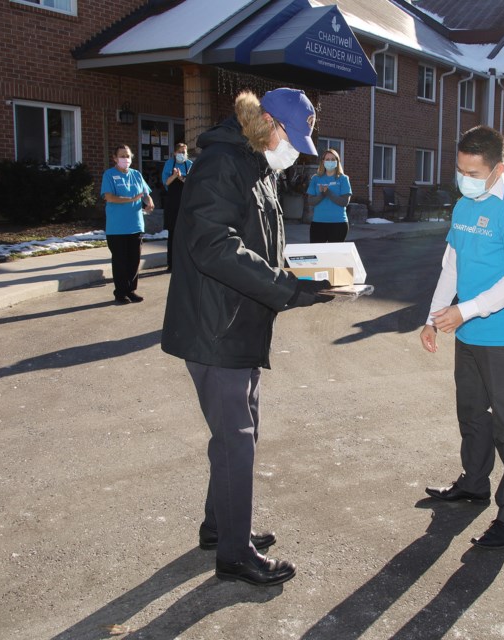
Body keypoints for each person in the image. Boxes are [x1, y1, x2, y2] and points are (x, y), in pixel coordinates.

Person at [161, 87, 333, 587]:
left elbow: (260, 245)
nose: (294, 150)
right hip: (218, 327)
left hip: (237, 324)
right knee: (237, 441)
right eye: (291, 137)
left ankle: (221, 528)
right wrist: (286, 289)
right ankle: (234, 555)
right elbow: (215, 246)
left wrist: (308, 276)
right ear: (267, 125)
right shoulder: (224, 164)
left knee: (240, 434)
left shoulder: (256, 167)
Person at [420, 125, 504, 550]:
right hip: (467, 331)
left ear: (498, 168)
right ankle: (474, 485)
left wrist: (465, 311)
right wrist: (434, 318)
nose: (465, 178)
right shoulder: (464, 205)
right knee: (471, 414)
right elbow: (451, 265)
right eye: (460, 169)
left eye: (474, 171)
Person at [100, 145, 154, 304]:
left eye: (128, 156)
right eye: (122, 156)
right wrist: (130, 200)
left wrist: (149, 203)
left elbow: (145, 194)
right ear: (115, 158)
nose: (126, 159)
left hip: (135, 225)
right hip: (117, 228)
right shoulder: (109, 175)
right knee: (120, 261)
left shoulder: (136, 174)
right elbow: (109, 197)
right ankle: (120, 293)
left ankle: (131, 290)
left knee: (133, 261)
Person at [306, 148, 352, 243]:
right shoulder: (316, 178)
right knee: (317, 255)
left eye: (333, 159)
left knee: (334, 256)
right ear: (323, 161)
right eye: (327, 159)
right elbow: (310, 201)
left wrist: (328, 192)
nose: (330, 162)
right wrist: (322, 194)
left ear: (337, 162)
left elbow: (344, 202)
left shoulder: (343, 179)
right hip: (318, 223)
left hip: (339, 223)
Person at [160, 142, 193, 271]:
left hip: (186, 204)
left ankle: (186, 263)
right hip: (173, 204)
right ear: (174, 153)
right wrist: (174, 176)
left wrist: (181, 178)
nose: (182, 154)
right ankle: (171, 264)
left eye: (184, 152)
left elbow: (192, 183)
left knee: (187, 234)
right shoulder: (169, 164)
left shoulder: (190, 164)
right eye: (179, 152)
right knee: (173, 235)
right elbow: (166, 182)